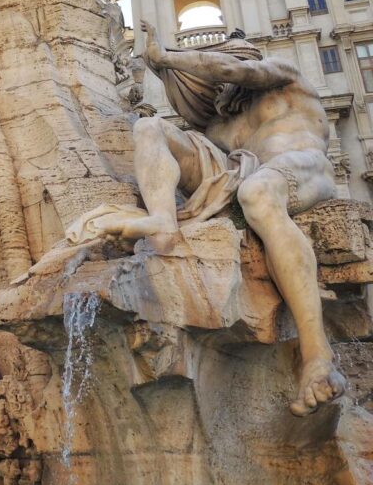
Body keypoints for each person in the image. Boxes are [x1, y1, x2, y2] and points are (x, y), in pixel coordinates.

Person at [75, 22, 345, 417]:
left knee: (258, 193)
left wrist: (166, 59)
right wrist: (169, 76)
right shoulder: (218, 126)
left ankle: (317, 356)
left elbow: (238, 71)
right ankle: (163, 221)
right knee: (149, 126)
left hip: (302, 167)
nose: (226, 72)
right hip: (238, 170)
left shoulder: (281, 75)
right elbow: (209, 105)